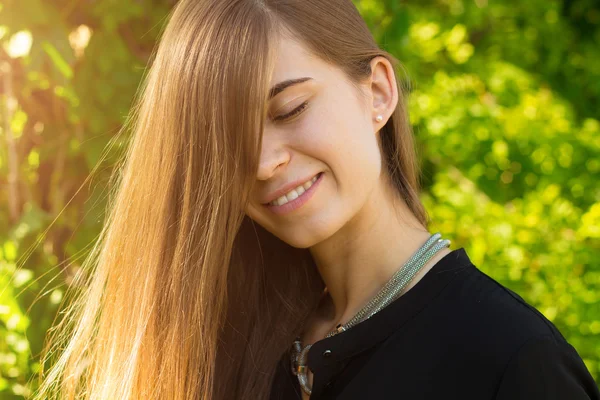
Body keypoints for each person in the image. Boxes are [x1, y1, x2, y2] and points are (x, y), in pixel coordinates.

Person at [33, 0, 599, 399]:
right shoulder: (224, 348)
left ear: (377, 92)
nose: (260, 163)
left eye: (290, 110)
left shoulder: (511, 361)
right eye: (225, 142)